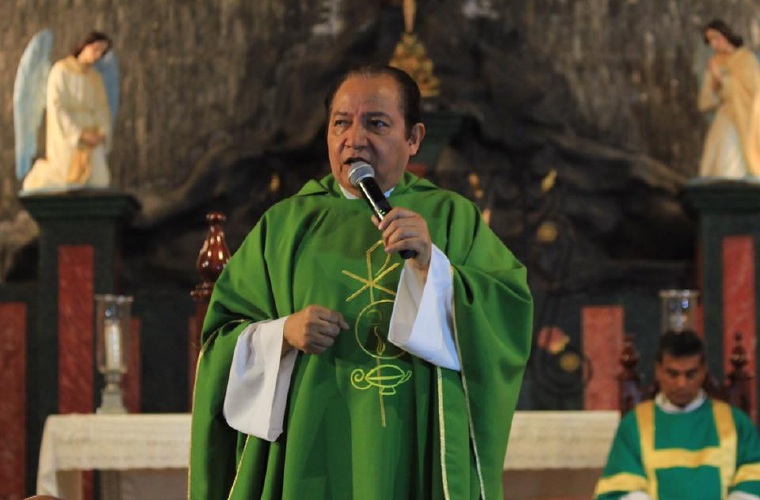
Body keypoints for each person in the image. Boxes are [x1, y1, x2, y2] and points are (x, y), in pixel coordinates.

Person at [189, 64, 533, 499]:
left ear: (414, 138)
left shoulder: (450, 219)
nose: (355, 138)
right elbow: (219, 343)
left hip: (412, 448)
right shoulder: (284, 226)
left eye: (377, 123)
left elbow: (507, 317)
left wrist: (434, 268)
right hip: (312, 448)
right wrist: (283, 334)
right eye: (341, 123)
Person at [595, 330, 760, 499]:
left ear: (703, 371)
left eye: (690, 374)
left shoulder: (735, 423)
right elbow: (619, 489)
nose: (681, 384)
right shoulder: (634, 426)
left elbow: (753, 480)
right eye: (673, 374)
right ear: (658, 370)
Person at [22, 31, 112, 191]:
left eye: (102, 52)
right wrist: (79, 134)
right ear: (85, 45)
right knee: (64, 180)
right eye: (96, 49)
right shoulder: (61, 71)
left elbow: (101, 109)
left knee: (100, 180)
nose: (98, 55)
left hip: (92, 137)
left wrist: (100, 133)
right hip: (68, 136)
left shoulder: (95, 78)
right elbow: (56, 107)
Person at [697, 19, 760, 179]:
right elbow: (706, 101)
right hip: (725, 115)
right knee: (718, 155)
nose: (714, 44)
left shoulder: (745, 59)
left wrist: (722, 79)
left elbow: (752, 89)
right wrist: (714, 83)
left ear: (726, 36)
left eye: (716, 38)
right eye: (710, 40)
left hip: (744, 115)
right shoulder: (715, 63)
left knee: (733, 156)